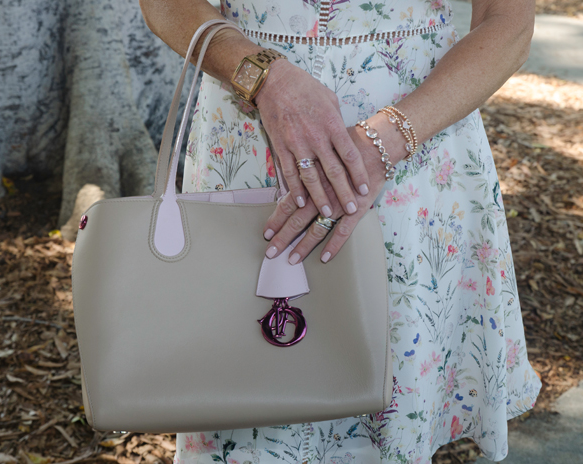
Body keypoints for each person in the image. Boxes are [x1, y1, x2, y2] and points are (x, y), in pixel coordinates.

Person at [139, 0, 541, 462]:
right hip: (248, 142)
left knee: (388, 406)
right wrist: (264, 78)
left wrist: (385, 142)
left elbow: (510, 24)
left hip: (413, 148)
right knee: (242, 397)